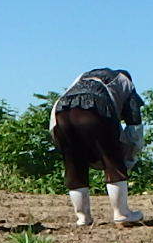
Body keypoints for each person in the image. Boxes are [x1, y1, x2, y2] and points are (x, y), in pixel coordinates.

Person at [48, 68, 145, 226]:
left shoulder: (80, 78)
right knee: (112, 160)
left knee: (74, 164)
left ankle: (83, 218)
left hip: (61, 112)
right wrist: (128, 156)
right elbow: (134, 127)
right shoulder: (126, 83)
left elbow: (54, 118)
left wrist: (61, 143)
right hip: (96, 106)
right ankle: (122, 213)